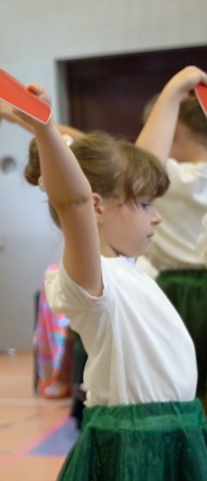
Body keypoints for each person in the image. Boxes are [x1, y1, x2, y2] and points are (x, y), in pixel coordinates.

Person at [22, 83, 206, 479]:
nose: (156, 216)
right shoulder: (93, 282)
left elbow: (146, 161)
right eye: (144, 205)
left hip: (179, 428)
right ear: (97, 206)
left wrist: (174, 92)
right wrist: (45, 126)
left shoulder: (132, 268)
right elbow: (72, 202)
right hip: (133, 445)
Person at [136, 66, 207, 408]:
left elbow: (139, 163)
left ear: (173, 129)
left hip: (177, 295)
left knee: (177, 394)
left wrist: (175, 89)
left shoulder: (170, 179)